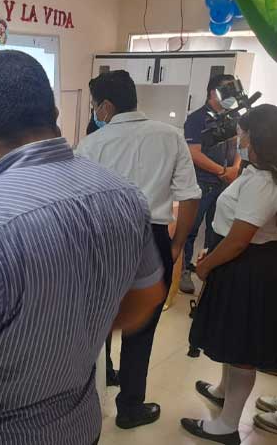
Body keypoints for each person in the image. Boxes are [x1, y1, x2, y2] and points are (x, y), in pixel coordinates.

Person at [0, 50, 167, 445]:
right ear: (53, 113)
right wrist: (73, 331)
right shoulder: (125, 196)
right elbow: (147, 299)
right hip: (79, 428)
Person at [77, 70, 201, 429]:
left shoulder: (91, 145)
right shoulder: (170, 135)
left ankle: (101, 380)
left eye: (95, 105)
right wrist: (176, 245)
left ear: (107, 105)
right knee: (142, 326)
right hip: (153, 238)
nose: (95, 112)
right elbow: (190, 196)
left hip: (104, 239)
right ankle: (130, 407)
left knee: (97, 317)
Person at [181, 104, 277, 445]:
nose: (240, 137)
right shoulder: (255, 173)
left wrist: (205, 265)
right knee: (231, 340)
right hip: (239, 261)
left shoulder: (264, 182)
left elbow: (239, 240)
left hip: (246, 268)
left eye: (245, 132)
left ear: (259, 137)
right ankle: (223, 392)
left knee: (242, 349)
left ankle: (227, 425)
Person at [181, 74, 242, 294]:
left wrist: (234, 169)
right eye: (227, 90)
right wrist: (222, 171)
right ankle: (184, 271)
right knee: (190, 229)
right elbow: (194, 153)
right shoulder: (197, 119)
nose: (231, 95)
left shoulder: (232, 118)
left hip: (226, 184)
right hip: (202, 183)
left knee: (217, 231)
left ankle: (208, 270)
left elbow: (239, 147)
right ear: (212, 92)